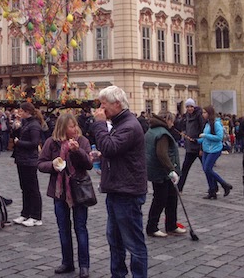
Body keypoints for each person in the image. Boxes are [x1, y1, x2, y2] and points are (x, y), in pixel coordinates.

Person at [92, 85, 147, 278]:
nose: (101, 108)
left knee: (133, 243)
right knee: (115, 241)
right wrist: (101, 155)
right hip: (118, 189)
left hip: (127, 192)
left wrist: (99, 125)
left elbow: (110, 147)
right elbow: (116, 151)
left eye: (103, 104)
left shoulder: (129, 125)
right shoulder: (120, 123)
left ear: (117, 104)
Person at [39, 112, 93, 278]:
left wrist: (77, 151)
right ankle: (67, 262)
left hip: (79, 190)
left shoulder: (82, 141)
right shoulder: (51, 142)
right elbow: (40, 163)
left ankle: (84, 265)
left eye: (75, 125)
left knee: (80, 228)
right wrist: (52, 165)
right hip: (59, 191)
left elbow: (89, 164)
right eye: (71, 126)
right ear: (63, 128)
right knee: (63, 228)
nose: (75, 129)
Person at [144, 112, 186, 237]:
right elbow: (162, 154)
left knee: (171, 198)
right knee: (160, 199)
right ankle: (152, 227)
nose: (173, 124)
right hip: (162, 172)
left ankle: (171, 225)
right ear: (167, 120)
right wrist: (171, 170)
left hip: (157, 170)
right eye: (172, 121)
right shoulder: (162, 133)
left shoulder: (152, 130)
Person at [12, 102, 44, 227]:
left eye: (21, 111)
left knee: (32, 188)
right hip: (22, 159)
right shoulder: (26, 123)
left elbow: (34, 143)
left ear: (27, 112)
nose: (19, 113)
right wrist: (16, 128)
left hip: (30, 160)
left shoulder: (34, 125)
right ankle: (25, 213)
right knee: (24, 188)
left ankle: (36, 216)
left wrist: (19, 143)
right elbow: (16, 135)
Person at [198, 105, 233, 199]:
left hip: (214, 150)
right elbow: (205, 138)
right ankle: (212, 191)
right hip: (206, 149)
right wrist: (196, 140)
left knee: (208, 169)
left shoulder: (216, 123)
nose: (203, 114)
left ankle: (224, 184)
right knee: (206, 170)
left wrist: (205, 135)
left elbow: (219, 137)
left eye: (204, 112)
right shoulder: (207, 123)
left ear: (209, 113)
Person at [176, 98, 205, 192]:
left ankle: (214, 188)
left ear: (194, 106)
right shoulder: (187, 116)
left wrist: (201, 148)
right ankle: (179, 188)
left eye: (191, 106)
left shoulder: (199, 116)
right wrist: (184, 133)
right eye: (188, 107)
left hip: (198, 146)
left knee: (207, 169)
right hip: (190, 147)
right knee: (185, 168)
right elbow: (184, 127)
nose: (189, 108)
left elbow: (203, 132)